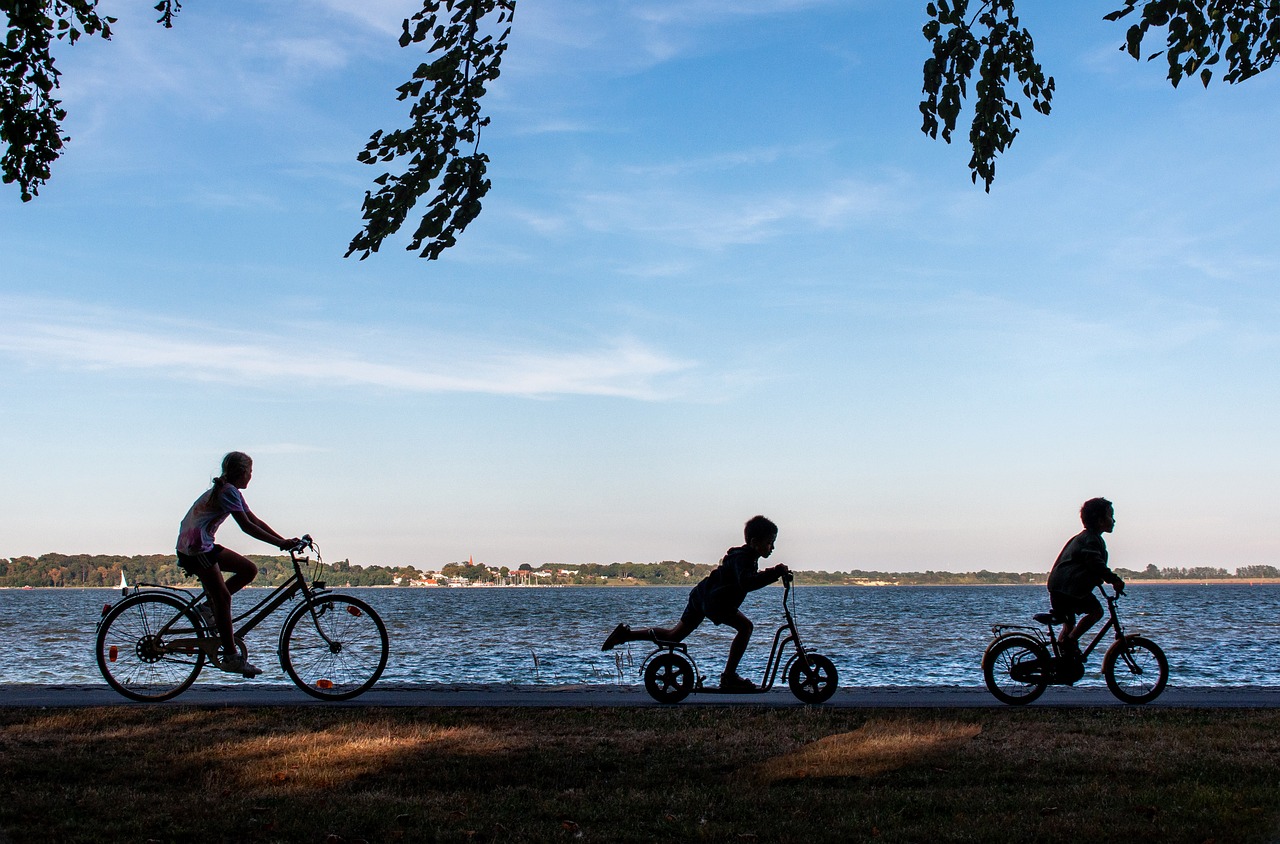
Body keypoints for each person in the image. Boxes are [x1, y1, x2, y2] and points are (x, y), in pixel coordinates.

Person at [600, 515, 790, 690]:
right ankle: (729, 677)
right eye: (769, 543)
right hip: (714, 601)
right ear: (755, 542)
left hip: (702, 595)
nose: (772, 548)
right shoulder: (743, 558)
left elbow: (747, 579)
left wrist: (773, 573)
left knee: (673, 636)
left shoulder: (744, 556)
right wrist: (774, 573)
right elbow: (747, 582)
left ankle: (626, 635)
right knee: (746, 627)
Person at [176, 452, 299, 677]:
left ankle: (206, 608)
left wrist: (283, 541)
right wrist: (280, 543)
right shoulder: (227, 491)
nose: (251, 476)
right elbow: (247, 527)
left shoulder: (231, 490)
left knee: (249, 569)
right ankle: (232, 657)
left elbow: (254, 520)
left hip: (201, 544)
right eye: (250, 472)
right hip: (195, 548)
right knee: (223, 598)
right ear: (242, 472)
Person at [1047, 497, 1125, 659]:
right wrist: (1114, 580)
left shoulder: (1083, 538)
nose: (1114, 520)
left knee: (1069, 625)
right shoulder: (1091, 539)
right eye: (1110, 516)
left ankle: (1063, 661)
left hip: (1060, 589)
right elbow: (1095, 563)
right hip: (1069, 590)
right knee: (1097, 612)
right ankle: (1069, 643)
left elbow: (1088, 567)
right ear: (1099, 520)